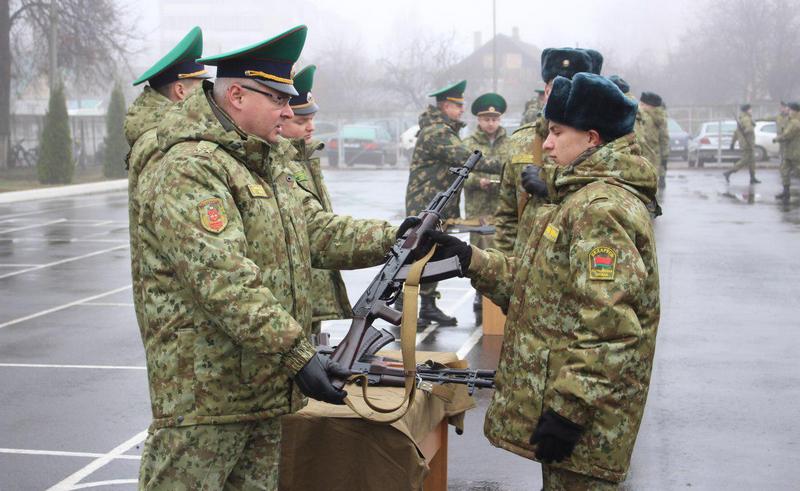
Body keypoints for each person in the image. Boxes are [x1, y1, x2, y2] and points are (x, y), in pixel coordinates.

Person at [134, 25, 403, 489]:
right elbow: (224, 280)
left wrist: (397, 235)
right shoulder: (189, 167)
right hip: (205, 400)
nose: (288, 110)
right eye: (278, 99)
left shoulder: (265, 160)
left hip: (261, 387)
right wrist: (298, 356)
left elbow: (315, 230)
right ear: (237, 95)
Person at [425, 73, 660, 490]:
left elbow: (610, 328)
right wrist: (469, 258)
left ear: (591, 139)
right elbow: (538, 287)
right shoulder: (575, 196)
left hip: (588, 424)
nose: (546, 143)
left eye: (555, 132)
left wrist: (569, 411)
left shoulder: (601, 208)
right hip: (578, 409)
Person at [126, 26, 211, 335]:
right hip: (180, 321)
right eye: (202, 87)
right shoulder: (161, 142)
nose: (208, 96)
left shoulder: (167, 136)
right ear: (180, 91)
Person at [493, 47, 602, 256]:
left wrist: (550, 189)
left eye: (572, 87)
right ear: (546, 91)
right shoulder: (519, 141)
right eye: (557, 86)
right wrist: (499, 276)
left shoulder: (598, 141)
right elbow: (507, 216)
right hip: (525, 271)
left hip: (575, 267)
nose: (564, 94)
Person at [280, 65, 351, 338]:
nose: (311, 127)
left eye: (312, 119)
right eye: (300, 121)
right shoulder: (281, 162)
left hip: (311, 290)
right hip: (292, 298)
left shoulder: (305, 156)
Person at [402, 80, 471, 327]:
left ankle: (428, 306)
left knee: (432, 256)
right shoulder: (437, 132)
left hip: (438, 205)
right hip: (426, 205)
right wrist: (509, 160)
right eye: (457, 105)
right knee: (416, 256)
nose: (462, 109)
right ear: (444, 106)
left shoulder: (443, 129)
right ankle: (403, 309)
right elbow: (467, 156)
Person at [463, 92, 511, 321]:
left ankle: (498, 296)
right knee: (478, 254)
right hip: (477, 208)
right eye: (486, 119)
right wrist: (476, 182)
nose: (491, 123)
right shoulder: (469, 144)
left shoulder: (510, 143)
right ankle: (479, 294)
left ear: (499, 120)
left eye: (495, 119)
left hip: (500, 208)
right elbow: (461, 174)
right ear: (479, 121)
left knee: (500, 251)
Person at [638, 91, 669, 189]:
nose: (640, 106)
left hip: (640, 160)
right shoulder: (661, 118)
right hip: (654, 160)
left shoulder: (640, 117)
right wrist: (664, 161)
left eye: (642, 104)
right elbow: (664, 139)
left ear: (648, 105)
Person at [724, 104, 760, 184]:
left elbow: (736, 133)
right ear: (747, 110)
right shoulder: (746, 119)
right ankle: (728, 172)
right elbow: (749, 129)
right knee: (744, 160)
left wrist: (732, 143)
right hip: (748, 143)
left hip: (745, 143)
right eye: (750, 109)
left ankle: (752, 177)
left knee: (752, 161)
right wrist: (746, 131)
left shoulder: (742, 119)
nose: (751, 110)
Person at [774, 102, 800, 201]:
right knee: (784, 170)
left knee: (798, 170)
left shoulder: (795, 122)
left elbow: (787, 134)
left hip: (796, 151)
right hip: (790, 150)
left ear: (794, 111)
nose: (787, 111)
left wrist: (777, 138)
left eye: (789, 110)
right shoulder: (791, 120)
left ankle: (786, 192)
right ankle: (786, 192)